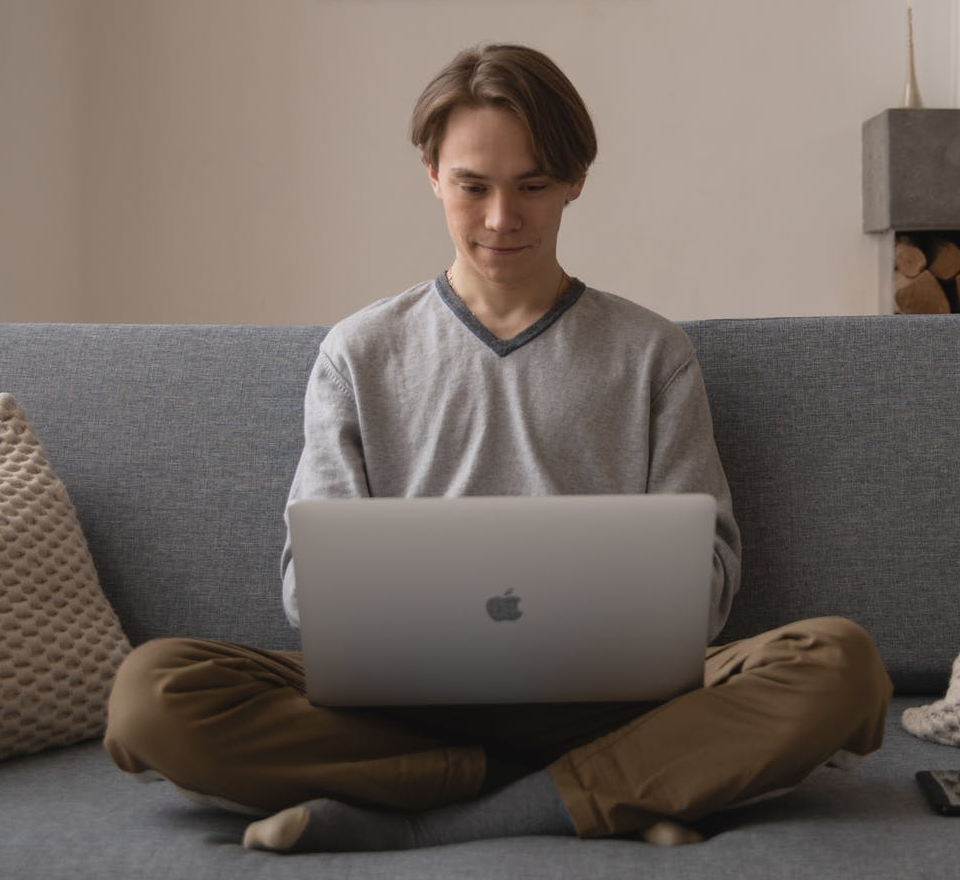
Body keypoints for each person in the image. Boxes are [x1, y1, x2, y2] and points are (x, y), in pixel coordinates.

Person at [104, 43, 893, 853]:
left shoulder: (653, 353)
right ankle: (602, 789)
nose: (499, 219)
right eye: (473, 185)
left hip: (619, 702)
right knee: (151, 694)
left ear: (576, 181)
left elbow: (712, 587)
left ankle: (426, 815)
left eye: (533, 186)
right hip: (398, 706)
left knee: (841, 664)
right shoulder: (358, 352)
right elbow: (311, 592)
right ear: (432, 174)